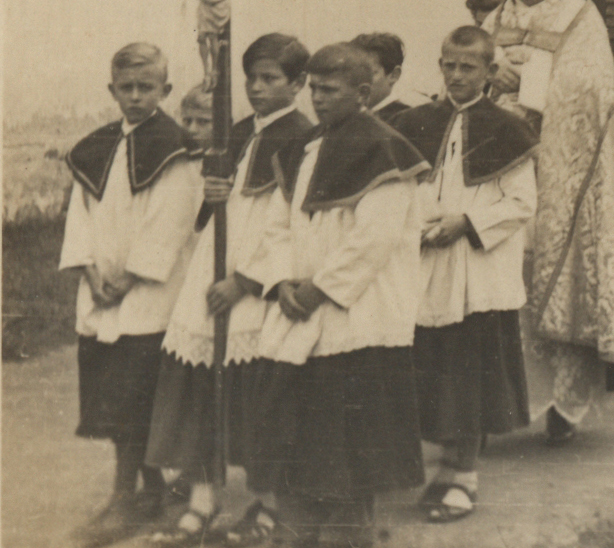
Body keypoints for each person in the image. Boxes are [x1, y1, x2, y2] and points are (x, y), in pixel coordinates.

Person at [236, 44, 428, 548]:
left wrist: (320, 289)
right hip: (297, 311)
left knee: (348, 452)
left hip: (356, 319)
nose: (318, 99)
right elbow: (278, 225)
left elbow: (374, 240)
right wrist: (282, 282)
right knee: (295, 440)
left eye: (330, 90)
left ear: (362, 93)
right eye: (314, 89)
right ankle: (298, 533)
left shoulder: (385, 150)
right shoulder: (301, 149)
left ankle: (348, 536)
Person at [483, 0, 614, 441]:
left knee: (559, 277)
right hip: (503, 165)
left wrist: (527, 82)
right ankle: (502, 404)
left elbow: (593, 89)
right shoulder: (499, 18)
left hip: (560, 170)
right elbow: (473, 65)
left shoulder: (580, 17)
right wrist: (492, 75)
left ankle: (564, 407)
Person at [145, 36, 313, 547]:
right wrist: (213, 194)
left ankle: (271, 503)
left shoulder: (304, 138)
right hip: (211, 269)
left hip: (258, 282)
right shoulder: (237, 133)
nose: (257, 88)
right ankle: (204, 498)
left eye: (270, 79)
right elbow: (210, 214)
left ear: (298, 84)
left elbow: (297, 226)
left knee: (260, 397)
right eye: (251, 78)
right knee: (202, 386)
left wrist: (245, 281)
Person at [388, 28, 538, 524]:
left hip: (477, 271)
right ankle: (445, 470)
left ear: (490, 72)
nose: (456, 75)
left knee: (469, 376)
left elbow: (522, 203)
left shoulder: (508, 129)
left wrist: (466, 223)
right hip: (428, 265)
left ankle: (465, 476)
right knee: (436, 373)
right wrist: (418, 226)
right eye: (449, 65)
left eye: (468, 67)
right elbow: (402, 192)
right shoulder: (416, 122)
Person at [62, 44, 204, 548]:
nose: (137, 96)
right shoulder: (95, 147)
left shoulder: (177, 149)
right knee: (111, 391)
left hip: (149, 295)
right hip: (100, 291)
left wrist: (129, 278)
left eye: (147, 87)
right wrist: (89, 271)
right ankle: (150, 488)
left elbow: (174, 218)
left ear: (166, 90)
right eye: (127, 88)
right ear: (112, 90)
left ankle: (125, 497)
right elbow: (79, 214)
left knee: (138, 396)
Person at [350, 33, 413, 124]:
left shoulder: (407, 120)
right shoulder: (347, 116)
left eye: (367, 74)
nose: (357, 81)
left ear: (394, 75)